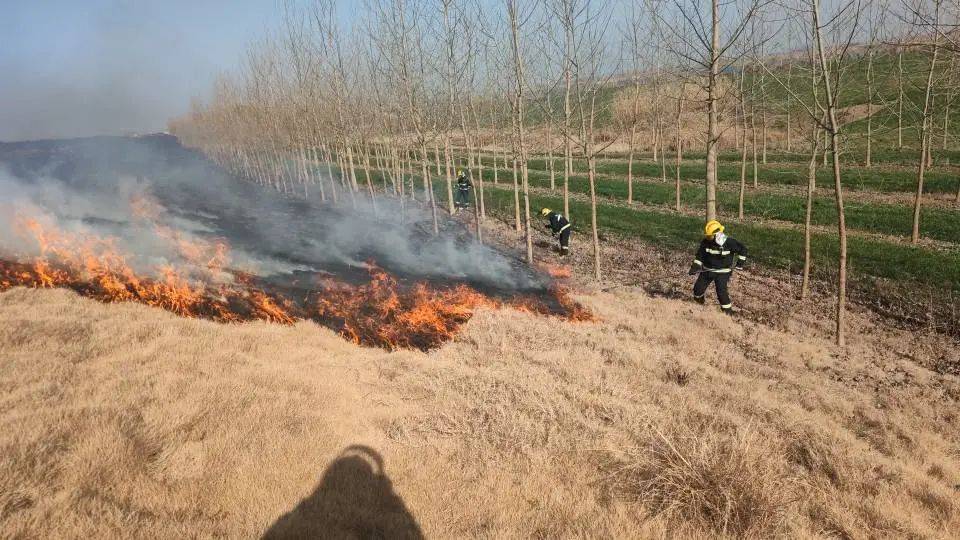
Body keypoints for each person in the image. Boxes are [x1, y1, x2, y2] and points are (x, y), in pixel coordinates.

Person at [688, 219, 748, 315]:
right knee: (697, 290)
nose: (708, 238)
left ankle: (728, 312)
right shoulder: (705, 243)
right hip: (707, 270)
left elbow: (743, 250)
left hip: (723, 272)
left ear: (718, 234)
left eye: (710, 236)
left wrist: (740, 264)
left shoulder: (730, 243)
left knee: (721, 292)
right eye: (707, 236)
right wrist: (694, 267)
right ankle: (699, 305)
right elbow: (700, 256)